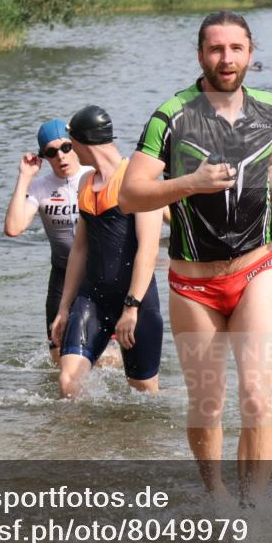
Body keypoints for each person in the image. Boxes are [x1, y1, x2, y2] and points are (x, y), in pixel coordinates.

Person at [120, 11, 272, 503]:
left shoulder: (271, 110)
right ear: (200, 54)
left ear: (250, 52)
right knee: (208, 405)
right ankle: (219, 495)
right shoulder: (173, 115)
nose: (226, 59)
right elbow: (131, 195)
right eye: (216, 49)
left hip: (256, 269)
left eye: (236, 49)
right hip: (194, 284)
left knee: (256, 397)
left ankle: (254, 507)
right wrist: (191, 183)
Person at [49, 105, 164, 397]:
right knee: (68, 382)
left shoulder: (138, 182)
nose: (70, 152)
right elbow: (79, 250)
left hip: (136, 302)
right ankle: (81, 442)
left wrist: (131, 308)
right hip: (93, 299)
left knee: (144, 393)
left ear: (84, 143)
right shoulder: (86, 182)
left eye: (72, 145)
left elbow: (148, 251)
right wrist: (64, 308)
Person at [4, 119, 94, 365]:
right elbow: (13, 228)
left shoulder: (94, 175)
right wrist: (24, 177)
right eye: (51, 152)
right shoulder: (40, 188)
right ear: (44, 156)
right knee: (58, 358)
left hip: (98, 275)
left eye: (66, 147)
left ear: (75, 145)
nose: (61, 157)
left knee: (108, 357)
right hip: (62, 276)